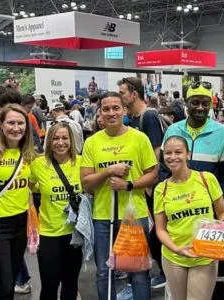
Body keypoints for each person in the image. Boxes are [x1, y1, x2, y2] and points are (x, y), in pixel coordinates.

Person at [160, 81, 224, 299]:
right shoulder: (174, 130)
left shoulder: (223, 132)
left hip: (209, 214)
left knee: (215, 273)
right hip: (178, 215)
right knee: (179, 276)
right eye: (195, 103)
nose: (200, 108)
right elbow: (165, 169)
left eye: (205, 103)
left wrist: (220, 214)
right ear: (186, 104)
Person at [80, 92, 158, 300]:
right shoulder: (92, 142)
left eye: (116, 108)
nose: (111, 113)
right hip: (103, 217)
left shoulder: (139, 139)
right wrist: (107, 171)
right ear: (100, 113)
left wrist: (128, 185)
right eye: (106, 109)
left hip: (134, 216)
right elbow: (86, 183)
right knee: (105, 272)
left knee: (138, 272)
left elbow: (153, 174)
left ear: (124, 110)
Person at [154, 136, 224, 300]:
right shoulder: (161, 189)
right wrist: (176, 249)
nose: (172, 157)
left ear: (188, 154)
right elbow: (160, 229)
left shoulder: (206, 179)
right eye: (168, 153)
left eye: (178, 152)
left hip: (204, 257)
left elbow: (222, 212)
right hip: (174, 257)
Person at [0, 104, 36, 300]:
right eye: (11, 122)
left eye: (20, 123)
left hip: (21, 223)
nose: (16, 128)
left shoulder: (29, 153)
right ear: (1, 125)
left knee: (11, 282)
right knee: (3, 285)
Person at [118, 77, 166, 294]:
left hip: (151, 185)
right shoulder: (134, 117)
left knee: (156, 231)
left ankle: (164, 273)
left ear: (134, 94)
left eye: (123, 93)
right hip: (141, 185)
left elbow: (156, 151)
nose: (121, 97)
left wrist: (151, 182)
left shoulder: (148, 116)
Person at [30, 123, 83, 300]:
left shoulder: (82, 163)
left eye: (65, 138)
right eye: (56, 138)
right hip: (48, 234)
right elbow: (29, 188)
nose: (61, 142)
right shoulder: (38, 165)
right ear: (49, 141)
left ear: (71, 140)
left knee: (70, 284)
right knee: (49, 285)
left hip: (74, 234)